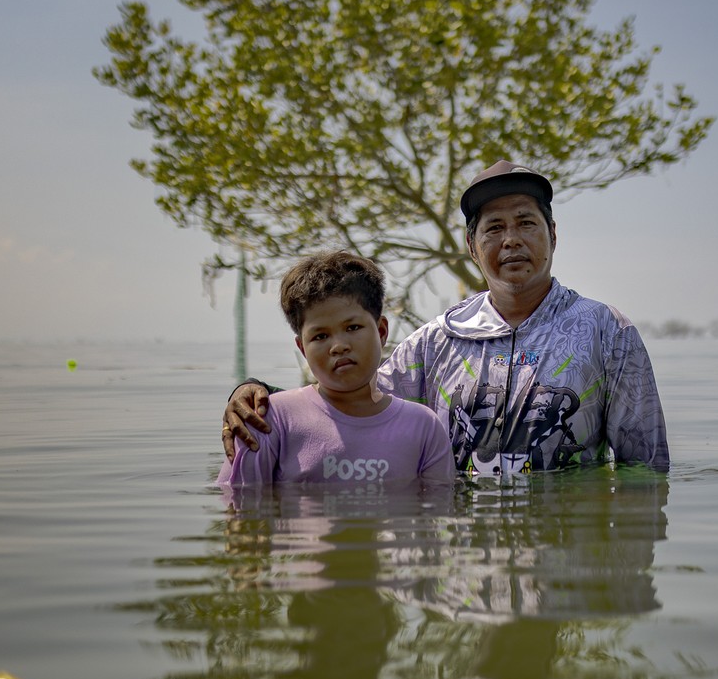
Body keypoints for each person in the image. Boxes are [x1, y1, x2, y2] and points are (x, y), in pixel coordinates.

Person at [223, 161, 670, 477]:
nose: (511, 240)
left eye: (526, 223)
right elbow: (353, 399)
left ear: (552, 234)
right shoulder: (438, 340)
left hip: (564, 560)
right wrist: (259, 393)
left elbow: (646, 469)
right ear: (472, 248)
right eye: (494, 228)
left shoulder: (607, 331)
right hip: (460, 563)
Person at [217, 250, 453, 487]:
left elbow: (438, 511)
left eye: (353, 328)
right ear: (302, 348)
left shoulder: (423, 427)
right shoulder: (267, 420)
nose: (338, 346)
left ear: (381, 331)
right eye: (320, 336)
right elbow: (239, 512)